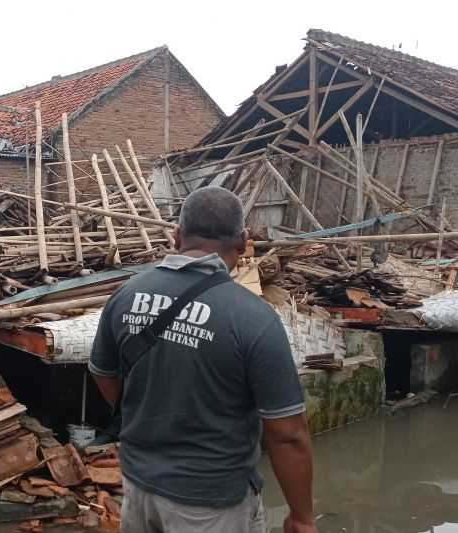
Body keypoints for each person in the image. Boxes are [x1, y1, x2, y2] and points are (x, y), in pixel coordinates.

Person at [89, 186, 317, 533]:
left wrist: (145, 415)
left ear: (176, 235)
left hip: (138, 487)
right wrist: (301, 517)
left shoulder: (126, 295)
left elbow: (104, 374)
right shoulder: (254, 318)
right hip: (212, 504)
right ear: (242, 243)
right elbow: (287, 433)